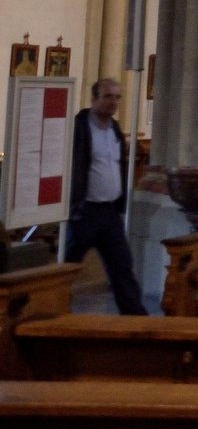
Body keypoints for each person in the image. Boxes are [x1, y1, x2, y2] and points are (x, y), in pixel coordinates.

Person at [66, 78, 146, 315]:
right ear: (93, 99)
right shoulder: (79, 128)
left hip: (110, 213)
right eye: (108, 96)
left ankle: (136, 320)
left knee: (122, 267)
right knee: (65, 269)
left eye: (117, 97)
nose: (114, 102)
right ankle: (47, 312)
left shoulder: (114, 129)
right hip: (85, 213)